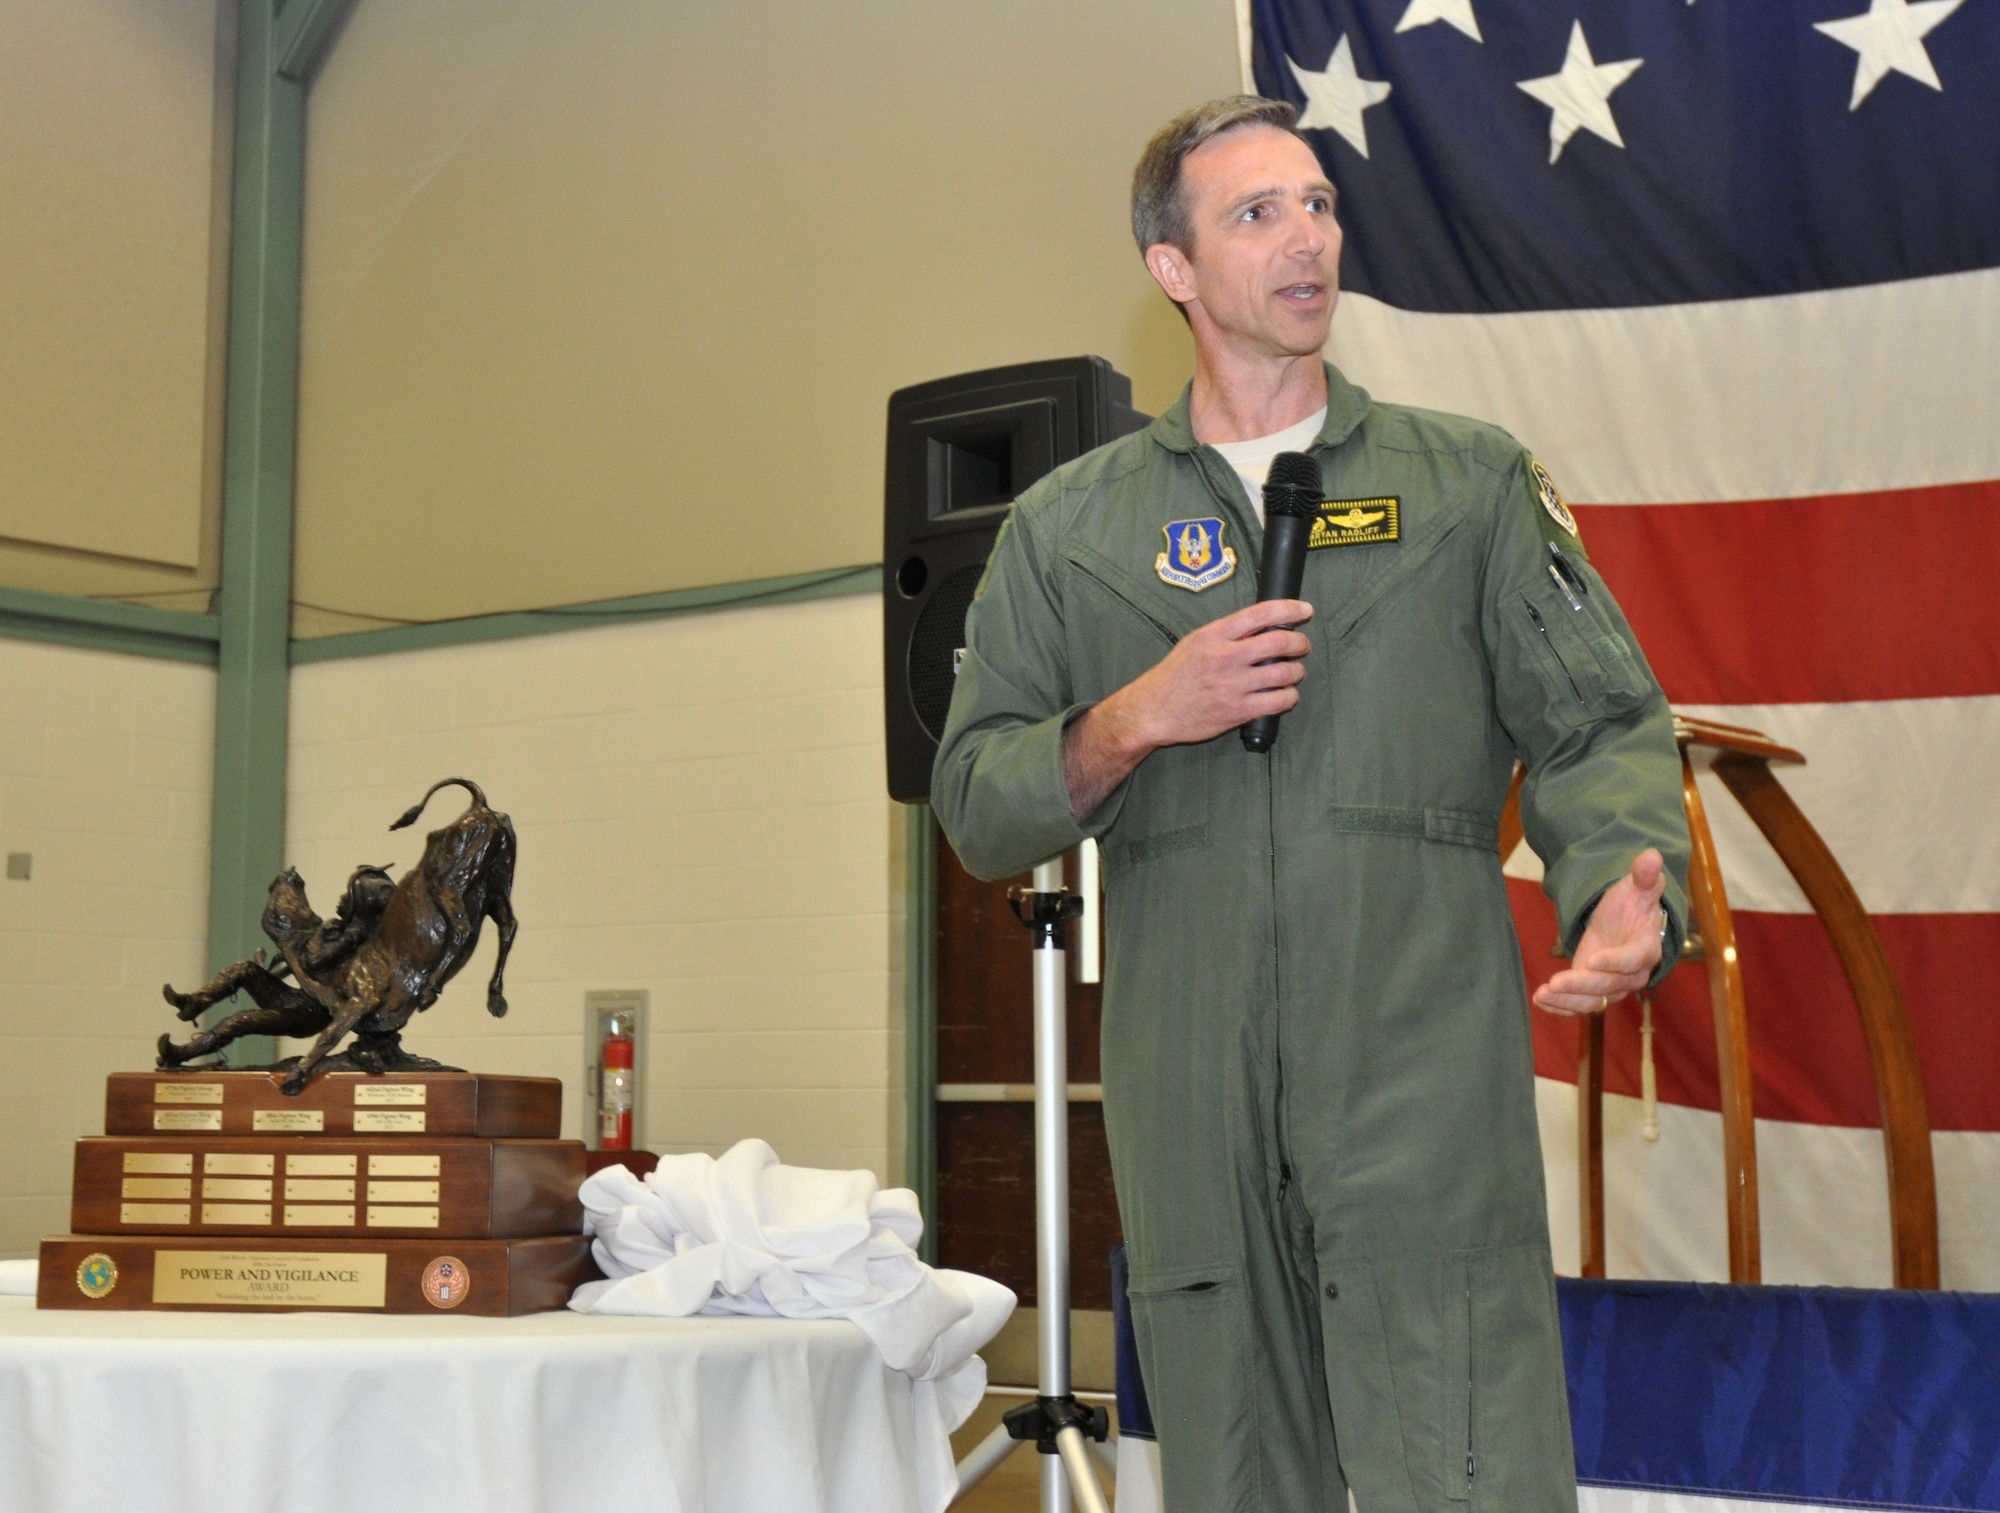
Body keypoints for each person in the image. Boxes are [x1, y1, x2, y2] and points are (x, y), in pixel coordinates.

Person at [931, 96, 1691, 1511]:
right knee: (1235, 1477)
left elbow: (1597, 721)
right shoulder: (1070, 529)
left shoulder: (1463, 484)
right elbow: (978, 800)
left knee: (1465, 1463)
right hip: (1191, 1090)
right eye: (1258, 213)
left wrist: (1619, 882)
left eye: (1321, 205)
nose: (1308, 240)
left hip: (1418, 1078)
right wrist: (1134, 716)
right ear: (1174, 269)